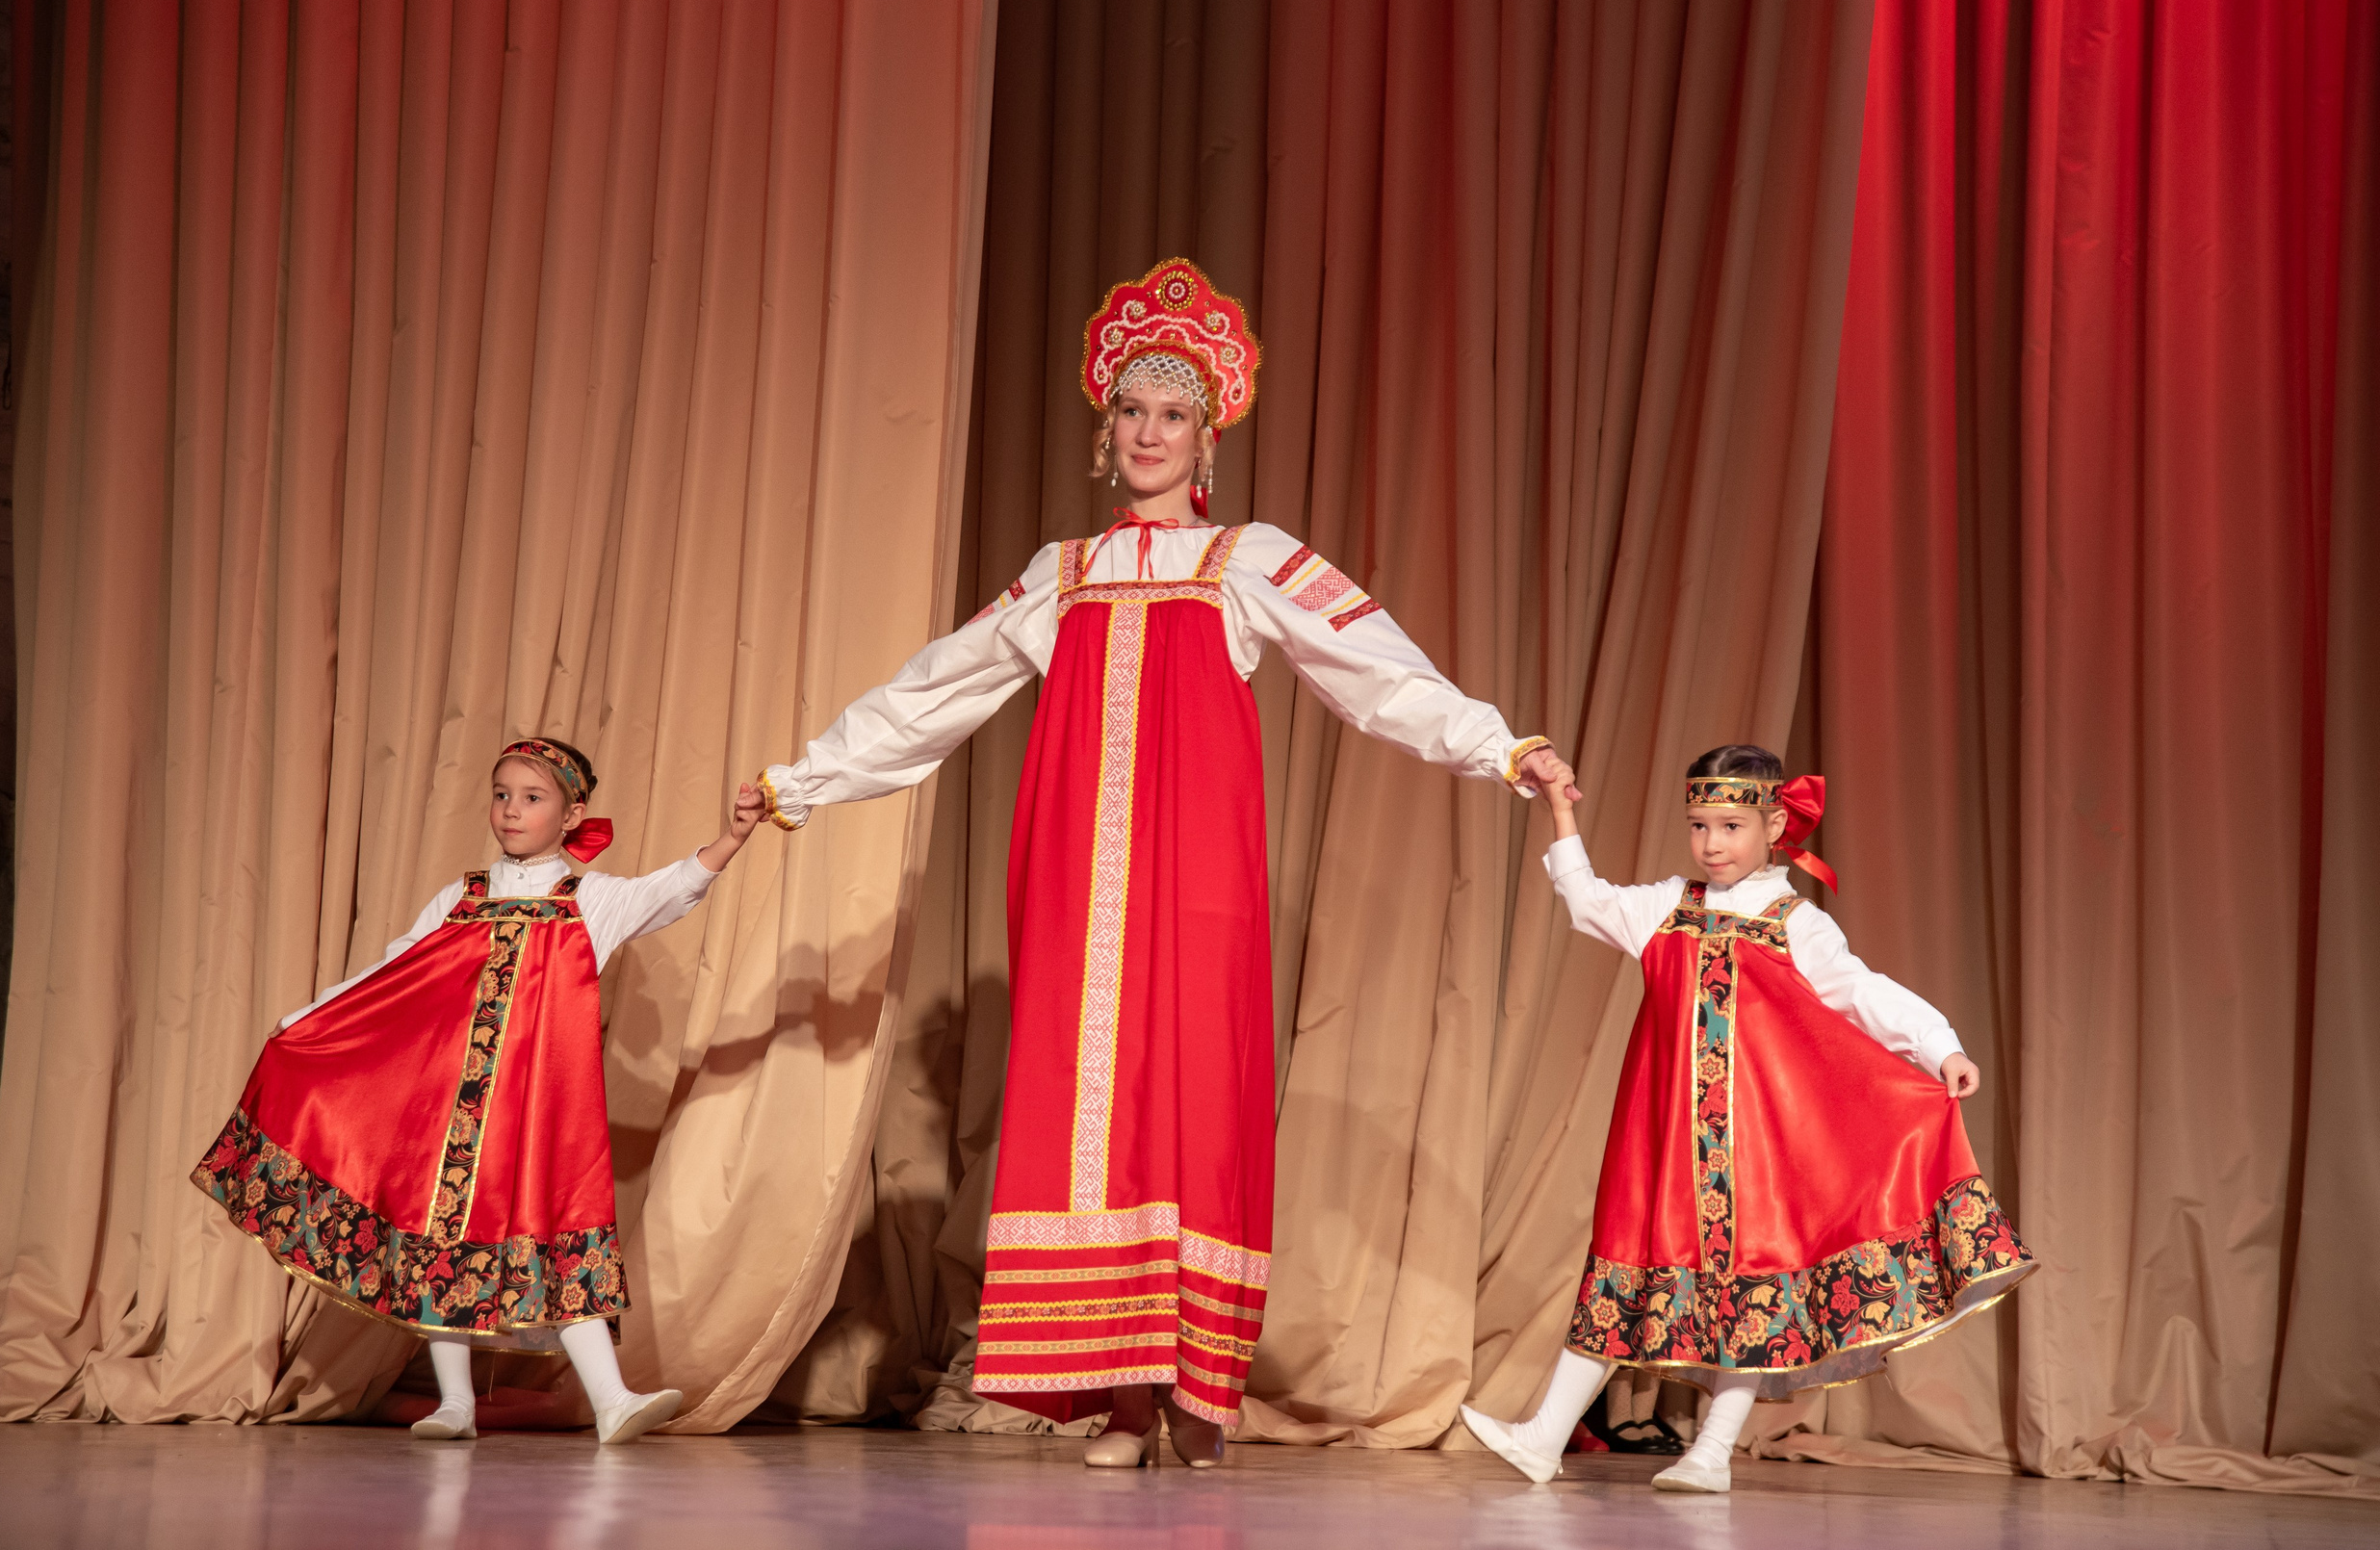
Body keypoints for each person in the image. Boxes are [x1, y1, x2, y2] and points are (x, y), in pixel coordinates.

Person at [757, 259, 1566, 1468]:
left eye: (1172, 413)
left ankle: (1197, 1383)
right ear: (1106, 431)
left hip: (1192, 871)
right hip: (1076, 868)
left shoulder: (1247, 558)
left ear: (1205, 439)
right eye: (1131, 411)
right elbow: (939, 685)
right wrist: (808, 776)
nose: (1148, 432)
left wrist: (1496, 744)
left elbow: (1373, 668)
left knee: (1191, 1087)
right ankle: (1119, 1395)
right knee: (1088, 1101)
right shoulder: (1060, 571)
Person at [1461, 745, 2035, 1491]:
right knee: (1622, 1262)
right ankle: (1543, 1435)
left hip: (1756, 1147)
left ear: (1773, 825)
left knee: (1752, 1284)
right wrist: (1560, 808)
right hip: (1663, 1139)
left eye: (1730, 825)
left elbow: (1863, 992)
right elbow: (1585, 899)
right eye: (1699, 825)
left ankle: (1711, 1451)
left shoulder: (1792, 920)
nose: (1712, 843)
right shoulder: (1668, 906)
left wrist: (1939, 1044)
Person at [193, 737, 764, 1443]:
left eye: (531, 797)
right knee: (443, 1229)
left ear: (571, 813)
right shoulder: (460, 899)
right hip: (451, 1115)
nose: (511, 809)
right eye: (501, 794)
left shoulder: (589, 899)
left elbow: (671, 888)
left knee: (555, 1223)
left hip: (535, 1114)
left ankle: (613, 1397)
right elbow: (391, 970)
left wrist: (733, 836)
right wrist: (313, 1016)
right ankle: (455, 1402)